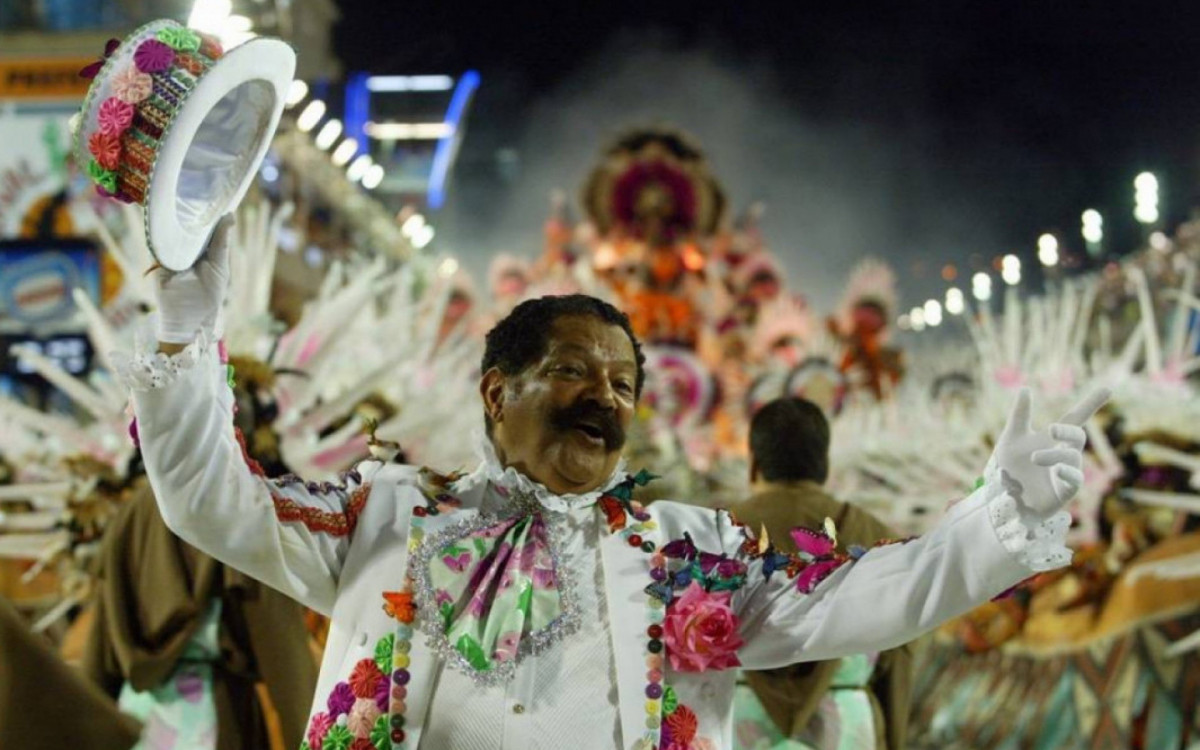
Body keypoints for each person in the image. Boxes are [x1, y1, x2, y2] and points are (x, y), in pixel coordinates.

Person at [115, 224, 1105, 750]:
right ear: (497, 393)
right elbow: (209, 496)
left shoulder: (686, 553)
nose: (606, 401)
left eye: (625, 384)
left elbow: (863, 597)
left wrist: (998, 520)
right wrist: (182, 328)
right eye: (577, 373)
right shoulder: (385, 517)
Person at [83, 477, 318, 750]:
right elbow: (285, 659)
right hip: (219, 720)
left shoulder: (132, 514)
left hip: (141, 719)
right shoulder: (236, 506)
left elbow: (101, 651)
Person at [731, 397, 912, 750]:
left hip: (735, 717)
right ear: (824, 464)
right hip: (845, 723)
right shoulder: (874, 533)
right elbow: (901, 651)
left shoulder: (714, 530)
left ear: (753, 464)